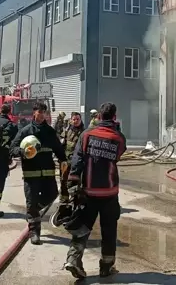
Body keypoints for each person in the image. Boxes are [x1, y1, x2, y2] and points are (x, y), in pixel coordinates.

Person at [64, 102, 126, 279]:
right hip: (109, 193)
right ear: (114, 117)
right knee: (109, 230)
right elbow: (119, 154)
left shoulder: (86, 135)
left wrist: (73, 185)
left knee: (82, 227)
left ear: (99, 116)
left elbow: (77, 160)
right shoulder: (118, 137)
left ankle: (73, 259)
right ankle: (106, 267)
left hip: (88, 192)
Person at [10, 102, 66, 245]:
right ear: (34, 113)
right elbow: (13, 148)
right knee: (31, 202)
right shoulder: (26, 131)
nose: (42, 115)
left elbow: (58, 148)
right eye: (40, 112)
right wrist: (22, 152)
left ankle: (34, 211)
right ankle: (35, 232)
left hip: (48, 173)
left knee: (52, 194)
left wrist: (63, 160)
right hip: (31, 174)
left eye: (44, 112)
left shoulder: (50, 132)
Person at [58, 112, 84, 209]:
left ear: (80, 120)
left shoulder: (84, 133)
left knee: (76, 182)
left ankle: (76, 200)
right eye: (74, 119)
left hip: (78, 162)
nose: (75, 121)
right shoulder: (66, 132)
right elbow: (61, 145)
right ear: (70, 120)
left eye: (77, 119)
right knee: (63, 180)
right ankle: (64, 200)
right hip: (65, 161)